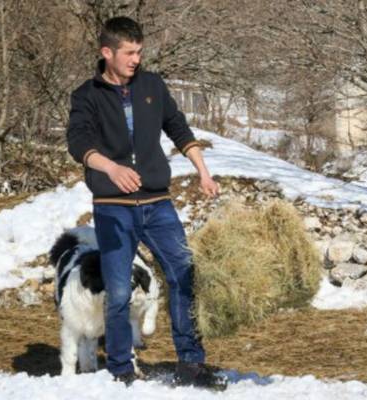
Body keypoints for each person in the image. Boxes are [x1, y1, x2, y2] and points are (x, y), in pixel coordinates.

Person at [66, 16, 223, 388]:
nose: (137, 59)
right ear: (107, 52)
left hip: (157, 203)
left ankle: (191, 364)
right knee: (119, 291)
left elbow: (178, 127)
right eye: (129, 52)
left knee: (183, 274)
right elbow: (78, 143)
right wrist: (112, 168)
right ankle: (120, 369)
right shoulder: (86, 95)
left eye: (140, 51)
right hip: (112, 206)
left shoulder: (152, 85)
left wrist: (203, 170)